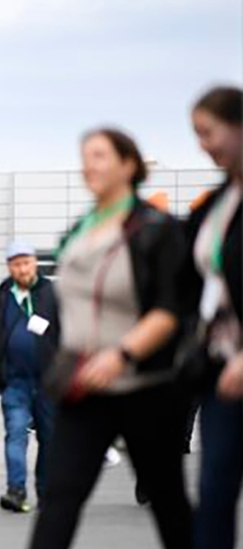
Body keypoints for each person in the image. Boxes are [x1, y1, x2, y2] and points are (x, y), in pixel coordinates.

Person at [28, 128, 191, 549]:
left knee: (167, 502)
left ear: (128, 165)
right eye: (85, 156)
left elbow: (171, 309)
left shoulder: (155, 228)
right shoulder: (81, 228)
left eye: (100, 155)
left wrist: (121, 354)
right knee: (61, 497)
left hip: (144, 385)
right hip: (84, 385)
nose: (89, 164)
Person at [183, 86, 242, 549]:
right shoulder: (217, 203)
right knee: (215, 491)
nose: (203, 144)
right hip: (219, 366)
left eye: (209, 132)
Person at [0, 241, 59, 513]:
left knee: (49, 437)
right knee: (15, 433)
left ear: (34, 263)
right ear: (9, 267)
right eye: (16, 264)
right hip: (14, 381)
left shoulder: (51, 293)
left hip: (48, 380)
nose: (22, 268)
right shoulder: (2, 293)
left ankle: (46, 491)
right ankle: (16, 489)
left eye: (26, 262)